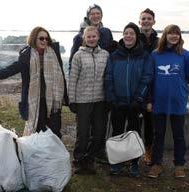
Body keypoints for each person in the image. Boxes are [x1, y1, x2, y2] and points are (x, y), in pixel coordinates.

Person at [0, 26, 68, 138]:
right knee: (37, 131)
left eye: (47, 38)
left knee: (55, 130)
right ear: (34, 39)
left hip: (53, 100)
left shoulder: (54, 54)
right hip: (35, 100)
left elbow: (61, 75)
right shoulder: (26, 57)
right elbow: (9, 70)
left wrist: (66, 97)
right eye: (41, 38)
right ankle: (37, 153)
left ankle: (53, 153)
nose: (44, 41)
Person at [147, 25, 189, 178]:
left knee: (179, 135)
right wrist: (149, 100)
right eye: (171, 33)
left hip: (178, 102)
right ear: (165, 35)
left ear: (180, 36)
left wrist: (179, 84)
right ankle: (156, 164)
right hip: (159, 101)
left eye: (177, 33)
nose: (174, 36)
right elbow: (149, 79)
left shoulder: (186, 55)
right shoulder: (155, 55)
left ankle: (179, 165)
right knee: (158, 134)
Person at [104, 22, 153, 177]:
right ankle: (117, 163)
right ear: (123, 35)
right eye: (126, 33)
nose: (128, 36)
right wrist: (111, 98)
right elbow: (108, 78)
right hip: (118, 102)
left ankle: (134, 164)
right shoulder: (115, 55)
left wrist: (139, 98)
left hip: (135, 103)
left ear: (136, 36)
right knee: (117, 132)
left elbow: (147, 78)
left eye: (131, 33)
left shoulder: (144, 55)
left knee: (134, 133)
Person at [68, 26, 109, 174]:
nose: (91, 39)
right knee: (83, 133)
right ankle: (78, 160)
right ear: (85, 39)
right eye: (88, 37)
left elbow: (107, 78)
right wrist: (72, 100)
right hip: (82, 100)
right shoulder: (78, 56)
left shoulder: (105, 55)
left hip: (100, 100)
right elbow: (72, 79)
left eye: (94, 36)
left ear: (98, 37)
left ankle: (90, 159)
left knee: (99, 133)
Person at [138, 8, 159, 165]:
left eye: (149, 18)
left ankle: (149, 150)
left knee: (150, 121)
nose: (146, 21)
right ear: (140, 21)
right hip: (136, 84)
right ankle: (132, 152)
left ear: (153, 21)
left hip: (155, 85)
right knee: (133, 120)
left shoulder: (159, 41)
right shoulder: (133, 38)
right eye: (143, 18)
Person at [68, 4, 115, 73]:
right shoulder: (79, 37)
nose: (95, 16)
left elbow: (111, 54)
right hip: (86, 77)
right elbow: (72, 63)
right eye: (92, 14)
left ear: (101, 15)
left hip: (104, 75)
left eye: (98, 13)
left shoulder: (107, 32)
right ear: (88, 16)